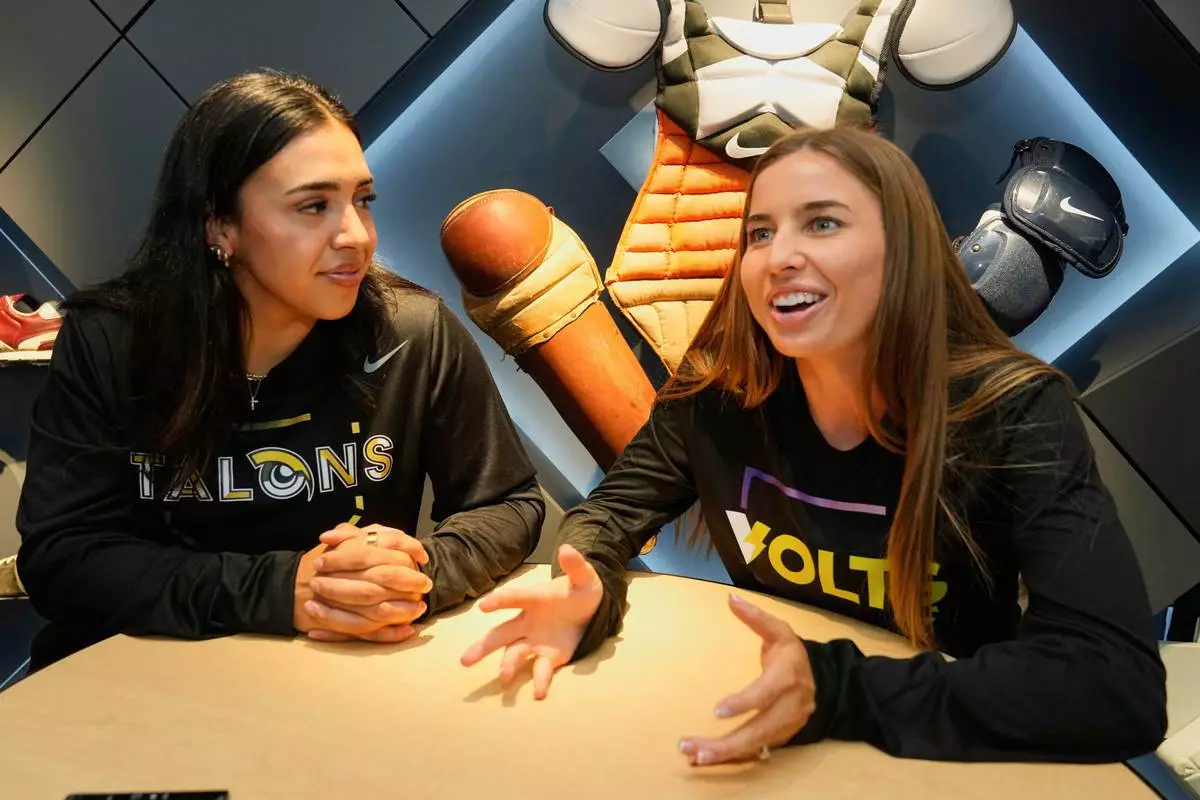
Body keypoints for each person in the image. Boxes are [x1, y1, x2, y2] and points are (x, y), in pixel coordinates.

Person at [460, 126, 1168, 764]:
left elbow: (1117, 688)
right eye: (760, 234)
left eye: (822, 223)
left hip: (935, 750)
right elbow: (610, 515)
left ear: (906, 252)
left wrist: (840, 690)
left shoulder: (1015, 413)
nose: (780, 257)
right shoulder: (719, 395)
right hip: (770, 737)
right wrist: (587, 584)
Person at [16, 70, 543, 667]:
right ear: (221, 226)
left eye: (361, 200)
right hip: (135, 679)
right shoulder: (112, 341)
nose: (355, 235)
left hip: (336, 679)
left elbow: (508, 502)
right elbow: (62, 555)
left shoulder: (413, 332)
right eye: (313, 206)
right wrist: (283, 589)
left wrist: (415, 575)